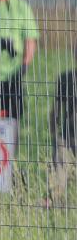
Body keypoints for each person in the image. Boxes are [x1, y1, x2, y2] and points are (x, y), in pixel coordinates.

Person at [48, 63, 77, 206]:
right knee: (58, 184)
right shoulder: (66, 78)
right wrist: (55, 137)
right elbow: (56, 110)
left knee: (59, 182)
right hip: (66, 139)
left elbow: (55, 111)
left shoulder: (66, 77)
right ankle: (57, 209)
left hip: (66, 138)